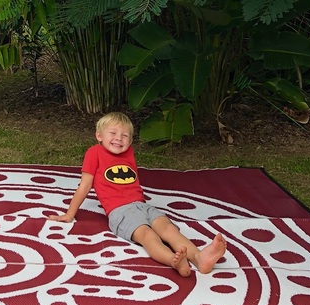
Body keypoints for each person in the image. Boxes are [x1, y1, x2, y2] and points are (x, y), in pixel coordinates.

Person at [50, 111, 227, 277]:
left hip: (143, 205)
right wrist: (69, 214)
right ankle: (174, 262)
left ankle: (199, 258)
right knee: (148, 235)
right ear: (99, 136)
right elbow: (85, 185)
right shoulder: (94, 152)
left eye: (125, 135)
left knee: (169, 229)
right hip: (120, 210)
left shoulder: (128, 152)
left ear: (130, 140)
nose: (118, 138)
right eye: (112, 133)